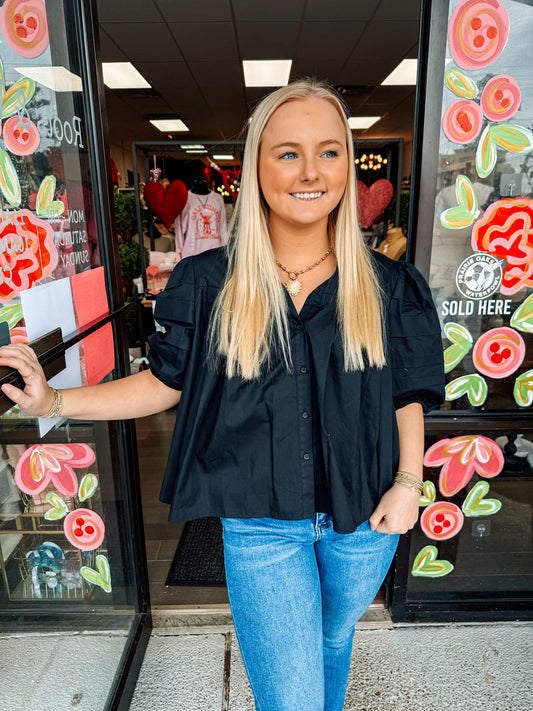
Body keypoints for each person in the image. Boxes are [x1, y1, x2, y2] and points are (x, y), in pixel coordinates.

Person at [0, 79, 444, 711]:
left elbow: (408, 394)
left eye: (330, 151)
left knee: (330, 644)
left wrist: (409, 483)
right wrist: (52, 403)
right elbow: (161, 383)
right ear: (256, 166)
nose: (310, 171)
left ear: (347, 165)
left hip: (368, 517)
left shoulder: (391, 286)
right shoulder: (209, 283)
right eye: (288, 153)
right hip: (263, 527)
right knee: (289, 698)